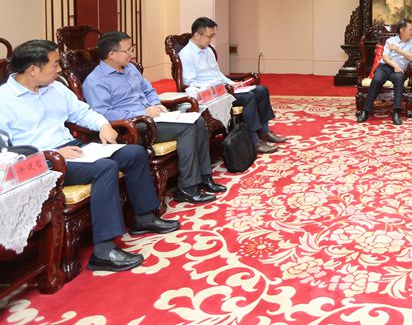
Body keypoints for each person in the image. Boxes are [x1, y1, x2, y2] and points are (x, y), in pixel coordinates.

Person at [0, 40, 180, 273]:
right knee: (105, 168)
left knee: (134, 153)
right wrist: (48, 154)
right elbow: (6, 151)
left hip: (73, 149)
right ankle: (104, 251)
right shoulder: (5, 100)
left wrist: (103, 125)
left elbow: (82, 112)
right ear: (33, 69)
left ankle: (144, 218)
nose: (59, 70)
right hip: (44, 163)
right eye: (55, 64)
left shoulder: (55, 88)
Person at [84, 31, 226, 205]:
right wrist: (142, 112)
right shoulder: (95, 81)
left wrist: (156, 104)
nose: (132, 54)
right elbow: (103, 113)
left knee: (198, 121)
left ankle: (204, 177)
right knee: (187, 129)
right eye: (128, 50)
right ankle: (187, 188)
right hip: (133, 125)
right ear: (111, 54)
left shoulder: (131, 69)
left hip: (152, 116)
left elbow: (149, 90)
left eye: (132, 49)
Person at [178, 17, 285, 155]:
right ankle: (254, 141)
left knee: (262, 90)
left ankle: (264, 132)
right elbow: (190, 82)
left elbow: (217, 74)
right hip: (210, 94)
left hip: (222, 88)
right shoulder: (186, 54)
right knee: (248, 97)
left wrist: (232, 83)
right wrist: (217, 86)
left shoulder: (208, 50)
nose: (212, 40)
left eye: (213, 36)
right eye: (210, 36)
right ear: (197, 35)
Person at [357, 18, 412, 125]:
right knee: (377, 79)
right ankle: (365, 111)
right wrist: (395, 65)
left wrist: (398, 49)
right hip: (385, 67)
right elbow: (385, 57)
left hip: (399, 71)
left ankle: (396, 112)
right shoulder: (391, 41)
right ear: (402, 30)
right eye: (410, 30)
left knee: (399, 79)